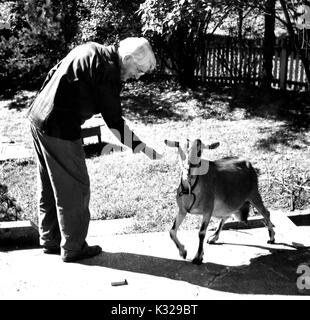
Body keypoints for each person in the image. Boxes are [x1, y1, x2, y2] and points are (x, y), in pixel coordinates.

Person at [28, 37, 161, 262]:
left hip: (38, 116)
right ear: (126, 58)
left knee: (50, 183)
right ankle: (74, 247)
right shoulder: (108, 70)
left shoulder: (91, 49)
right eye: (138, 70)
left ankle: (50, 239)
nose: (137, 77)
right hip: (59, 126)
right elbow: (114, 121)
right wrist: (141, 147)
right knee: (76, 187)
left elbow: (54, 71)